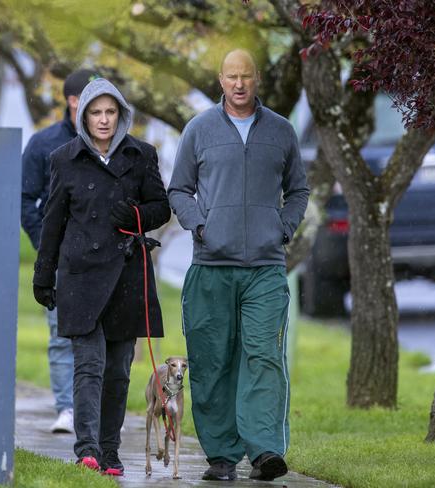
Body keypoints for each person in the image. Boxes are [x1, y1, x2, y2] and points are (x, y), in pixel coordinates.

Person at [167, 49, 309, 482]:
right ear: (220, 79)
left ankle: (265, 450)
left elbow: (299, 191)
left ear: (257, 78)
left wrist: (283, 228)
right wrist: (200, 227)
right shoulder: (199, 130)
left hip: (265, 267)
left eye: (246, 76)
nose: (239, 84)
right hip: (211, 266)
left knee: (264, 356)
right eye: (232, 77)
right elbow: (179, 190)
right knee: (212, 361)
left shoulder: (281, 132)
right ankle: (222, 456)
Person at [32, 77, 171, 475]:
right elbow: (53, 221)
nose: (104, 120)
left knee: (118, 371)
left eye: (111, 112)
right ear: (83, 115)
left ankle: (110, 452)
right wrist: (44, 276)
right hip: (81, 278)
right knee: (88, 366)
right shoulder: (64, 158)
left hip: (127, 275)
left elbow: (161, 208)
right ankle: (87, 450)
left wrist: (137, 216)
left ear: (122, 114)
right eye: (96, 112)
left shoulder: (142, 154)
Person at [21, 69, 98, 434]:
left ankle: (96, 411)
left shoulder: (113, 145)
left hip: (103, 259)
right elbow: (26, 200)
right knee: (60, 335)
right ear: (72, 101)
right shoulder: (43, 144)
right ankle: (67, 409)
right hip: (61, 260)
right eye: (92, 98)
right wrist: (46, 246)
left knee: (105, 337)